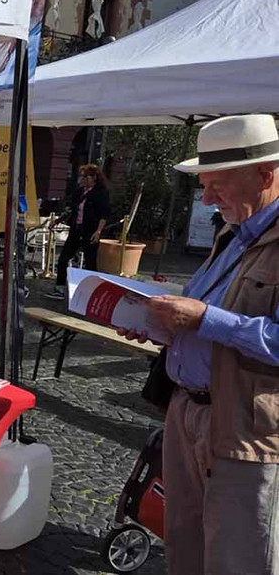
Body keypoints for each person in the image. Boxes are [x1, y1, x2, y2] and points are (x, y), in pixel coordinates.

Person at [116, 114, 279, 575]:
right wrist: (159, 326)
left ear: (264, 175)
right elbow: (204, 313)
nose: (206, 199)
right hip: (185, 412)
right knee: (184, 544)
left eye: (217, 186)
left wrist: (206, 319)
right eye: (204, 185)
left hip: (245, 427)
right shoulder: (234, 233)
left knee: (238, 557)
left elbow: (220, 321)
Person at [44, 164, 110, 299]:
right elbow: (72, 209)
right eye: (82, 176)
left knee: (90, 261)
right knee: (63, 259)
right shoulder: (80, 192)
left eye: (85, 176)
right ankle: (60, 288)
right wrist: (57, 221)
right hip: (76, 229)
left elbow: (104, 215)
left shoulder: (101, 193)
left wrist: (98, 231)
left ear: (94, 178)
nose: (83, 179)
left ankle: (91, 292)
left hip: (90, 231)